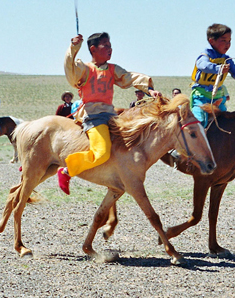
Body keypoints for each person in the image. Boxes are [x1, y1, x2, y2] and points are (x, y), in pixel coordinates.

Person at [57, 32, 161, 195]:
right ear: (93, 49)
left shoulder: (113, 69)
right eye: (105, 45)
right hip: (93, 116)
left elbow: (130, 78)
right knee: (101, 152)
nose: (110, 49)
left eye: (110, 45)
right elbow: (70, 71)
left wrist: (150, 90)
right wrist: (74, 46)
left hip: (111, 116)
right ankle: (67, 170)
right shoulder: (84, 69)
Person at [190, 23, 235, 127]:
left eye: (229, 41)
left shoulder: (226, 59)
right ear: (211, 41)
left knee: (224, 121)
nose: (228, 44)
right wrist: (218, 68)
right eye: (224, 40)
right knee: (200, 121)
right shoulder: (204, 55)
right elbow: (203, 65)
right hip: (201, 96)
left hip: (218, 97)